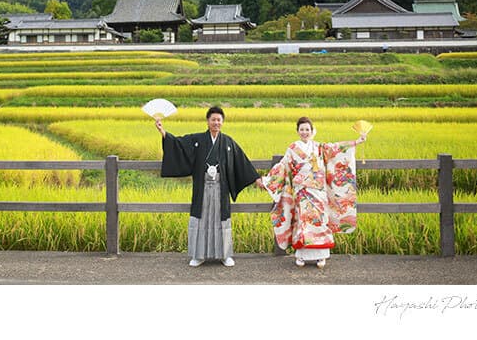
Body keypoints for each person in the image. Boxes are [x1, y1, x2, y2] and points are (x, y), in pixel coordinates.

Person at [155, 106, 263, 267]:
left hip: (221, 188)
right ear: (208, 121)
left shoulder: (228, 142)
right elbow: (178, 144)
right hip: (203, 187)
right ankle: (198, 255)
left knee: (221, 219)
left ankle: (225, 255)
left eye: (219, 120)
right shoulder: (197, 140)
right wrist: (162, 131)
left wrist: (256, 179)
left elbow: (242, 162)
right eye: (213, 119)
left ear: (222, 122)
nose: (216, 122)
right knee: (201, 219)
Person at [260, 116, 367, 269]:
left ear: (312, 131)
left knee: (320, 221)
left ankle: (321, 256)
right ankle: (301, 256)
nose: (304, 132)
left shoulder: (319, 147)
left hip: (318, 191)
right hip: (302, 192)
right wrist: (268, 180)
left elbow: (336, 149)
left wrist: (356, 142)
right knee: (303, 222)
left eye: (307, 129)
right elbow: (283, 166)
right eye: (302, 129)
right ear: (297, 131)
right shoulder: (292, 148)